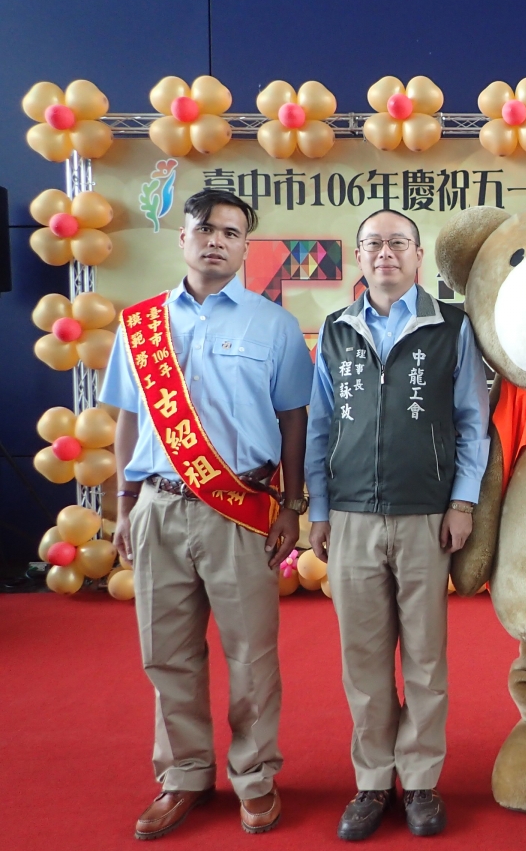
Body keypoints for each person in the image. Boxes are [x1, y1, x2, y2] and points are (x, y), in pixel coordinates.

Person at [104, 189, 313, 840]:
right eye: (204, 229)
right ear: (183, 238)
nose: (216, 240)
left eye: (230, 231)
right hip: (158, 507)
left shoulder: (274, 325)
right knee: (165, 652)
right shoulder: (140, 325)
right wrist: (124, 503)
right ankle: (184, 775)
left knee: (251, 654)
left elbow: (295, 419)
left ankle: (255, 777)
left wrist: (293, 504)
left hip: (241, 510)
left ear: (246, 246)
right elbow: (128, 418)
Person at [305, 209, 489, 841]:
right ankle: (372, 781)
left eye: (398, 243)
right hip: (352, 516)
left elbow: (471, 422)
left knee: (425, 658)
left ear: (418, 257)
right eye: (373, 244)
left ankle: (421, 780)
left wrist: (462, 502)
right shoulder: (336, 330)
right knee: (362, 657)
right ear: (359, 257)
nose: (385, 253)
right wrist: (320, 508)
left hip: (425, 517)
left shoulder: (451, 327)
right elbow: (321, 425)